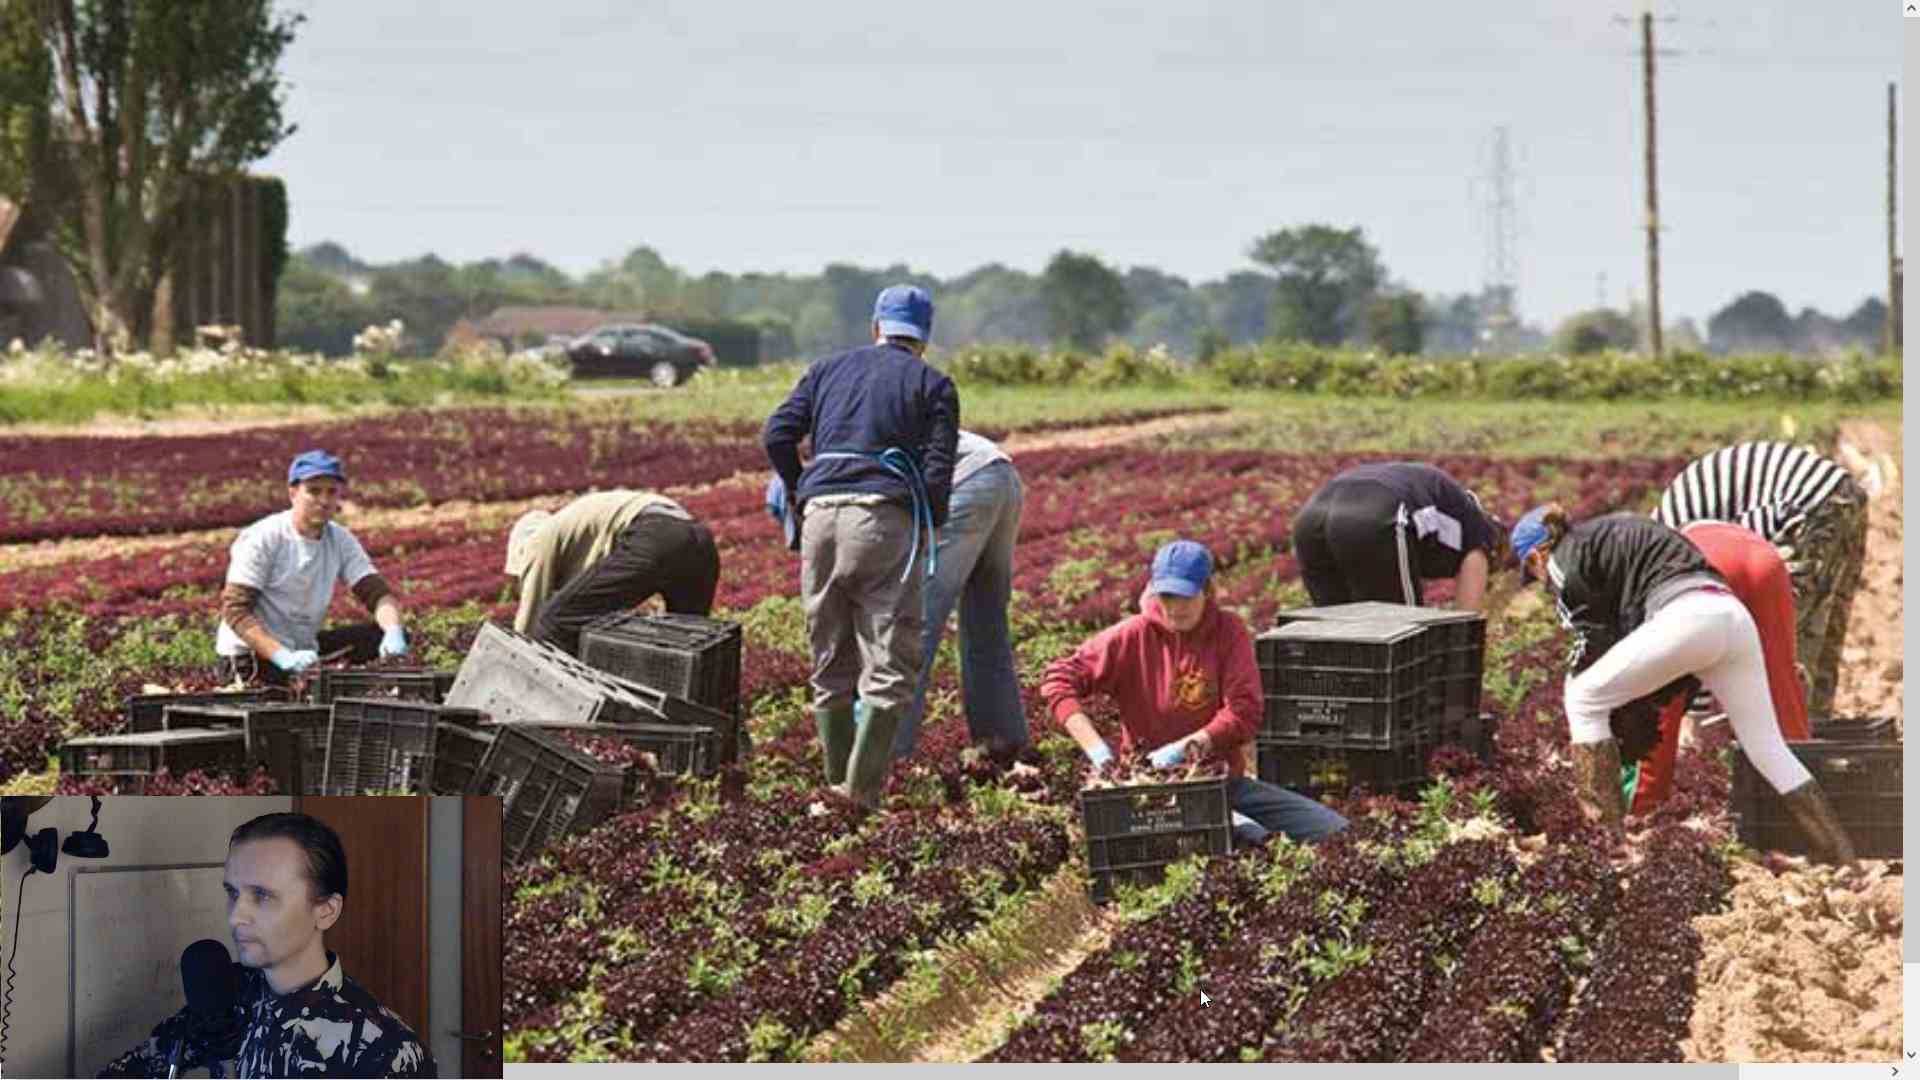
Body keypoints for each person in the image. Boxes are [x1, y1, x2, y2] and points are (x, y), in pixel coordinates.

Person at [1510, 504, 1855, 864]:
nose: (1540, 582)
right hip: (1732, 616)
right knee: (1768, 748)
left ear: (1537, 555)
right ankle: (1843, 856)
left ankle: (1606, 845)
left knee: (1582, 697)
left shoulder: (1563, 559)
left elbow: (1590, 639)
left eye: (1532, 573)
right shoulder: (1611, 530)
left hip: (1685, 616)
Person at [762, 284, 959, 808]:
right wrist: (930, 523)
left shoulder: (826, 369)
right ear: (923, 338)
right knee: (889, 663)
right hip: (882, 520)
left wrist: (799, 488)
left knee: (830, 658)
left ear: (876, 327)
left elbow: (777, 433)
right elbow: (938, 472)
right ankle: (860, 796)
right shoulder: (933, 383)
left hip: (822, 521)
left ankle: (835, 790)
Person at [1040, 540, 1348, 848]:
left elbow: (1244, 711)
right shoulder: (1132, 635)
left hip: (1221, 782)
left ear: (1208, 590)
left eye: (1186, 596)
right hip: (1151, 794)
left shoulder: (1228, 631)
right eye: (1167, 596)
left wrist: (1189, 746)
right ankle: (1241, 829)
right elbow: (1059, 679)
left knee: (1334, 831)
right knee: (1249, 841)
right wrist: (1097, 751)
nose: (1176, 607)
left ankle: (1239, 823)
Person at [99, 812, 436, 1078]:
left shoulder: (387, 1051)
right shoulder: (225, 994)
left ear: (326, 911)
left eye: (262, 895)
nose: (235, 917)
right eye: (233, 893)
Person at [767, 429, 1025, 763]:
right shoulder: (844, 460)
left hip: (960, 485)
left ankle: (881, 760)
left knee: (912, 627)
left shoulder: (842, 484)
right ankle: (1003, 745)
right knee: (986, 624)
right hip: (997, 473)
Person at [1653, 441, 1867, 716]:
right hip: (1841, 490)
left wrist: (1702, 721)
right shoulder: (1662, 545)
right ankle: (1812, 730)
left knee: (1786, 643)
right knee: (1821, 635)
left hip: (1806, 502)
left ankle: (1793, 742)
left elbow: (1698, 643)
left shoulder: (1663, 572)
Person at [1625, 521, 1808, 815]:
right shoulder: (1665, 550)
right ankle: (1802, 806)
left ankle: (1644, 807)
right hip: (1767, 560)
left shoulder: (1640, 602)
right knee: (1781, 687)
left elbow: (1662, 710)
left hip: (1710, 572)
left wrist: (1644, 804)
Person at [214, 450, 410, 687]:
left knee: (378, 637)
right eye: (314, 491)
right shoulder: (263, 538)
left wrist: (393, 631)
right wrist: (282, 656)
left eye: (331, 491)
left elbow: (377, 594)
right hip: (252, 658)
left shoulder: (339, 539)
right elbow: (236, 611)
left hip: (302, 649)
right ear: (293, 492)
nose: (324, 500)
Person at [504, 488, 720, 656]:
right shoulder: (575, 529)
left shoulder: (536, 541)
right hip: (700, 541)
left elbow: (530, 621)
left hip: (655, 533)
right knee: (688, 644)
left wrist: (513, 663)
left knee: (555, 620)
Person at [1291, 461, 1507, 611]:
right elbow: (1466, 622)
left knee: (1334, 633)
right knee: (1401, 635)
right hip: (1377, 511)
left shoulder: (1447, 505)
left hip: (1310, 517)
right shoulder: (1479, 532)